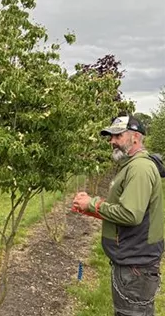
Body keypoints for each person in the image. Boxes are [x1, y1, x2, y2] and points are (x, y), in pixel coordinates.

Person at [73, 114, 163, 315]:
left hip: (135, 266)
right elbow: (129, 209)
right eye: (110, 137)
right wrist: (90, 208)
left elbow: (130, 215)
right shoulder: (131, 166)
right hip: (132, 262)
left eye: (117, 136)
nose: (111, 141)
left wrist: (93, 204)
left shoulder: (139, 168)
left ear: (136, 138)